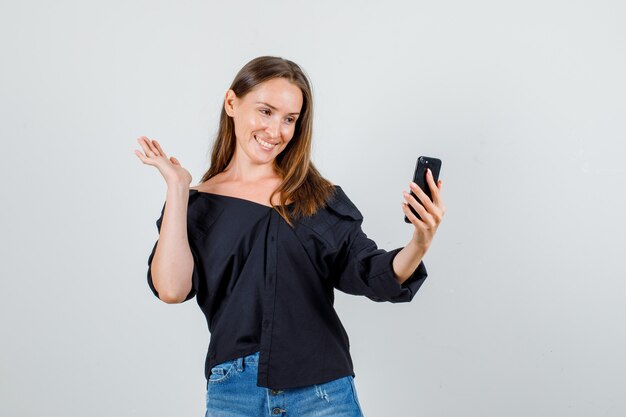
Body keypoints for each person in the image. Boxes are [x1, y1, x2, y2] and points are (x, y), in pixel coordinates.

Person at [134, 56, 446, 417]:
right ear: (232, 103)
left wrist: (420, 241)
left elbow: (370, 273)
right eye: (265, 111)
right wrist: (178, 187)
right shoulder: (196, 205)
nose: (275, 130)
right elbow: (171, 290)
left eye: (289, 119)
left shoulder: (317, 197)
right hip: (234, 395)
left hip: (321, 392)